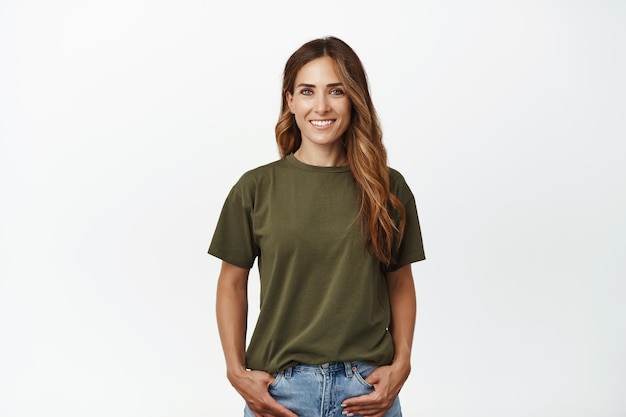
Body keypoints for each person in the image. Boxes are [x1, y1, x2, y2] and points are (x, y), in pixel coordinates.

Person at [208, 36, 425, 417]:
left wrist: (402, 364)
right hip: (279, 392)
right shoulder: (256, 188)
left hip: (366, 391)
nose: (321, 106)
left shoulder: (387, 188)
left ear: (354, 99)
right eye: (307, 91)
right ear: (290, 101)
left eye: (336, 91)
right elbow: (232, 282)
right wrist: (235, 370)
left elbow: (400, 281)